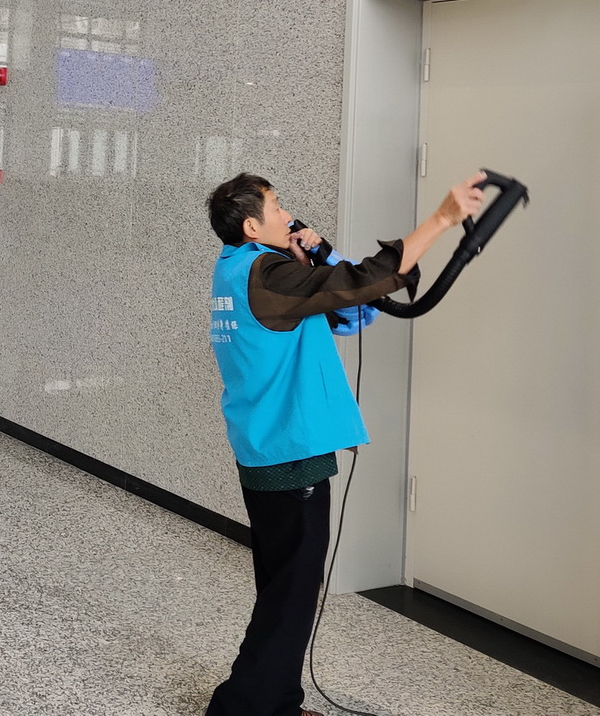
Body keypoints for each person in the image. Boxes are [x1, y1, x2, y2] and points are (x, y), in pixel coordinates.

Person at [204, 170, 485, 716]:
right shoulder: (268, 274)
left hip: (263, 448)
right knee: (291, 596)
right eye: (276, 207)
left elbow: (345, 314)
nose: (287, 215)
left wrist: (309, 259)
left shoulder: (236, 269)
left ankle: (278, 702)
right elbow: (365, 279)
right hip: (292, 455)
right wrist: (443, 219)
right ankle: (242, 707)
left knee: (283, 587)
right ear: (251, 226)